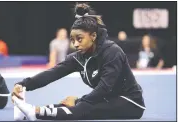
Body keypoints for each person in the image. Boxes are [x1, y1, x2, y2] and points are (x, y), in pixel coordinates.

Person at [12, 3, 146, 120]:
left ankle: (35, 113)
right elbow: (52, 74)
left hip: (130, 103)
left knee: (83, 108)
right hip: (107, 98)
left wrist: (79, 100)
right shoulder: (78, 57)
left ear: (93, 36)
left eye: (79, 39)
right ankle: (29, 111)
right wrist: (23, 85)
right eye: (72, 39)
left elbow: (105, 88)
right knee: (77, 105)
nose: (75, 44)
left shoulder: (112, 52)